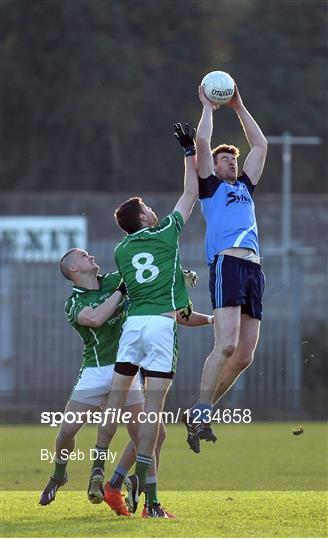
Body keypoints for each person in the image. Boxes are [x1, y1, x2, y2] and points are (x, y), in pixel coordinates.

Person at [39, 246, 212, 516]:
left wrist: (175, 275)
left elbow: (154, 288)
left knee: (148, 436)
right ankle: (60, 473)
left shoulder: (114, 279)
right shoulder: (74, 302)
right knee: (67, 431)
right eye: (84, 256)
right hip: (96, 371)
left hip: (127, 370)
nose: (92, 256)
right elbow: (95, 319)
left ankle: (149, 503)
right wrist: (122, 290)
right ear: (73, 269)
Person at [88, 123, 199, 516]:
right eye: (149, 208)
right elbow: (190, 193)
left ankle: (100, 468)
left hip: (133, 326)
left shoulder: (120, 250)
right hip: (160, 327)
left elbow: (134, 283)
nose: (154, 210)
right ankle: (151, 500)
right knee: (154, 414)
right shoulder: (166, 231)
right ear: (146, 218)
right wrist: (188, 152)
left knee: (115, 406)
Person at [182, 82, 268, 453]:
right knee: (227, 343)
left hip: (254, 270)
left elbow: (261, 145)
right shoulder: (210, 188)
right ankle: (201, 409)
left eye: (233, 158)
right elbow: (201, 145)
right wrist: (207, 107)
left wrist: (239, 106)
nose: (232, 161)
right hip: (227, 264)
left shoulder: (246, 186)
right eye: (225, 159)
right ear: (213, 168)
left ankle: (199, 411)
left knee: (245, 355)